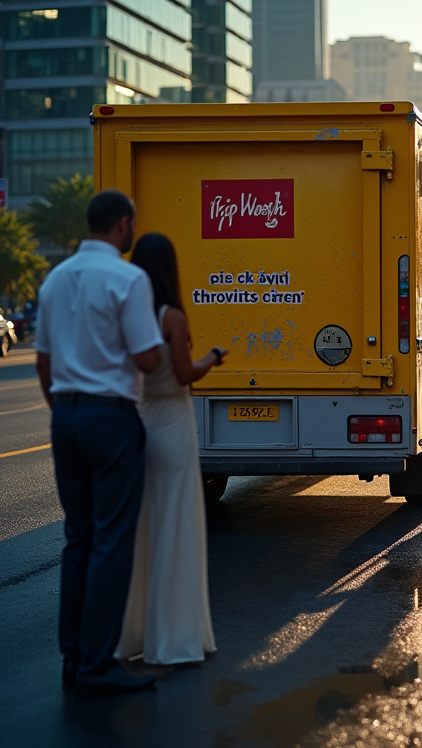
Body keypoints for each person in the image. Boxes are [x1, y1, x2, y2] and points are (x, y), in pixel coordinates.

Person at [35, 190, 164, 695]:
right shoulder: (128, 279)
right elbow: (149, 359)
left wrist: (66, 410)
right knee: (112, 540)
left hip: (65, 414)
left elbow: (44, 362)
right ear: (123, 225)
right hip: (110, 417)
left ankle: (72, 654)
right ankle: (97, 663)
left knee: (78, 537)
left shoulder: (54, 279)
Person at [116, 233, 226, 666]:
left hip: (142, 423)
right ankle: (173, 638)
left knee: (143, 530)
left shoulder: (128, 314)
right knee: (177, 528)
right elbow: (186, 374)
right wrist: (213, 356)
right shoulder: (171, 316)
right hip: (174, 427)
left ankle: (133, 636)